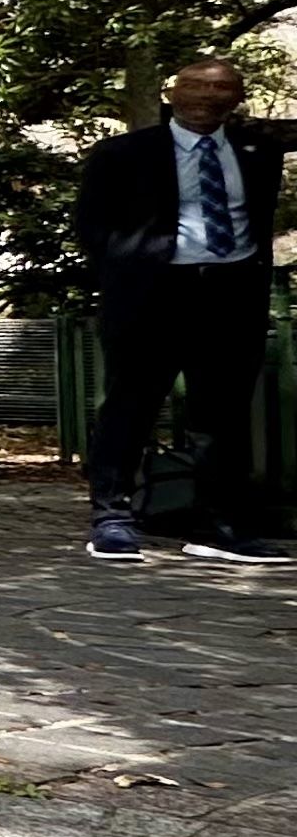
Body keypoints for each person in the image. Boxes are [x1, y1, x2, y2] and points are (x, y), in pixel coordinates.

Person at [78, 55, 295, 562]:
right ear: (173, 94)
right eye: (196, 88)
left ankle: (220, 526)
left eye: (222, 90)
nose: (208, 98)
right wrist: (128, 272)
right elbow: (92, 226)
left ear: (237, 98)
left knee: (222, 415)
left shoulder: (257, 152)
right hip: (152, 294)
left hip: (231, 294)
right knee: (130, 407)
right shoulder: (123, 153)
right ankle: (113, 518)